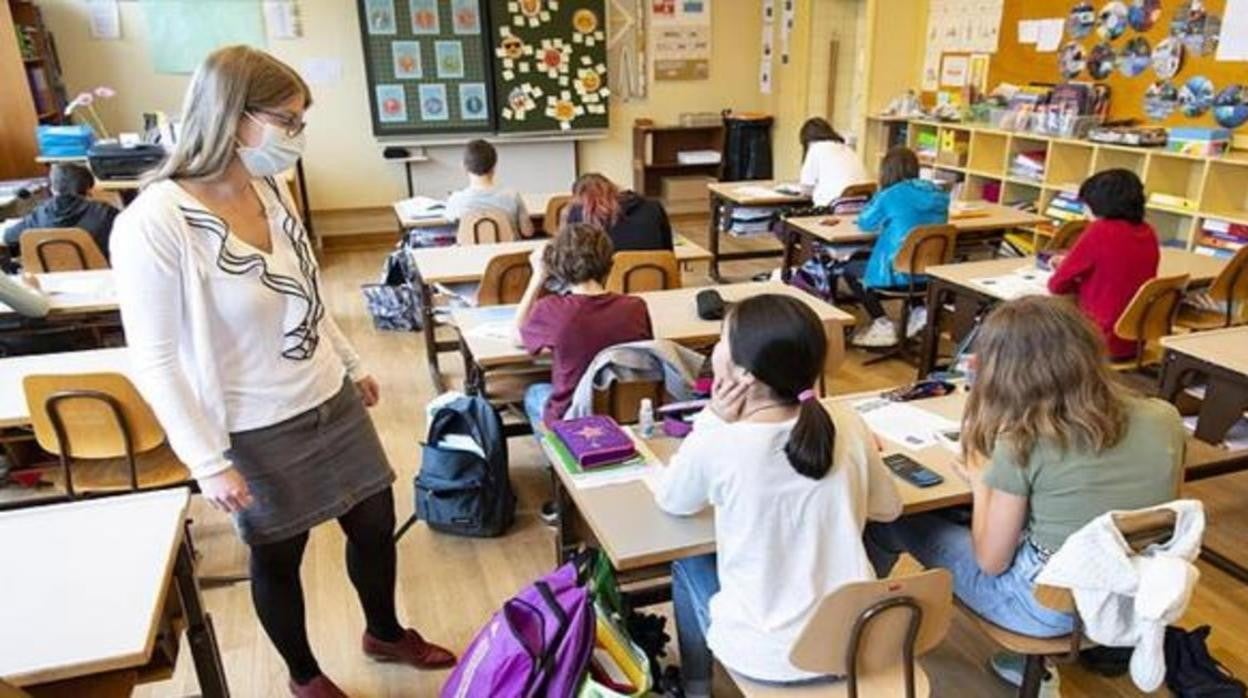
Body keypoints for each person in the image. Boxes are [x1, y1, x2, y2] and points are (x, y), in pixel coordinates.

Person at [111, 46, 454, 698]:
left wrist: (350, 365)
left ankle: (383, 631)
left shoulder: (267, 189)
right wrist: (207, 460)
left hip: (326, 395)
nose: (295, 136)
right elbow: (154, 359)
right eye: (288, 121)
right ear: (235, 116)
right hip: (253, 422)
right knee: (278, 553)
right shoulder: (154, 223)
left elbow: (304, 290)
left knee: (375, 522)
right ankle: (304, 676)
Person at [865, 295, 1184, 694]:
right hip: (1129, 595)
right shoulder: (1164, 417)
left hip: (1045, 609)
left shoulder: (1024, 439)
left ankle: (849, 631)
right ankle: (1034, 667)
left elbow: (991, 562)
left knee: (893, 518)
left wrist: (982, 483)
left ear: (1004, 370)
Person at [653, 294, 903, 697]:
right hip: (853, 639)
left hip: (766, 657)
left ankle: (696, 688)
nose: (715, 349)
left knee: (688, 560)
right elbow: (888, 510)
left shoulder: (721, 441)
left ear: (746, 374)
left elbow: (673, 501)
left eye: (721, 341)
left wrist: (712, 420)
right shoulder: (847, 422)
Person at [515, 222, 653, 428]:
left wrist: (537, 277)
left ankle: (559, 455)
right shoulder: (636, 307)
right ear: (610, 263)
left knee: (534, 393)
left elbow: (516, 336)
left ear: (556, 265)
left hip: (574, 418)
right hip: (625, 411)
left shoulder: (551, 309)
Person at [1047, 169, 1159, 360]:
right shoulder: (1148, 231)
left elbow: (1057, 286)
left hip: (1098, 338)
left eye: (1086, 205)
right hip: (1134, 339)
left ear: (1099, 205)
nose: (1084, 211)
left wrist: (1069, 272)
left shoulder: (1100, 231)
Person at [844, 147, 950, 348]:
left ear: (887, 171)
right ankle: (918, 310)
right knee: (862, 258)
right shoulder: (938, 195)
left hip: (896, 273)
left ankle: (881, 322)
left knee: (850, 269)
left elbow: (865, 222)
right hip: (930, 273)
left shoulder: (890, 196)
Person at [5, 163, 118, 259]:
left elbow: (8, 237)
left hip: (49, 281)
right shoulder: (106, 212)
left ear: (53, 189)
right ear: (89, 190)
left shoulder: (40, 213)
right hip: (101, 277)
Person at [444, 139, 534, 238]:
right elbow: (527, 232)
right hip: (508, 252)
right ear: (494, 166)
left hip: (470, 252)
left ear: (464, 167)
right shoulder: (512, 196)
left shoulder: (456, 199)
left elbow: (449, 226)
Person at [564, 173, 673, 252]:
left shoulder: (578, 214)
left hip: (607, 281)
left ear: (579, 197)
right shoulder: (653, 206)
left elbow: (571, 258)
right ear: (614, 188)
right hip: (655, 277)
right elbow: (668, 250)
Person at [797, 117, 871, 208]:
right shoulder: (848, 149)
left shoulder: (816, 148)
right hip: (861, 207)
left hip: (833, 208)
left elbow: (806, 190)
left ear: (806, 140)